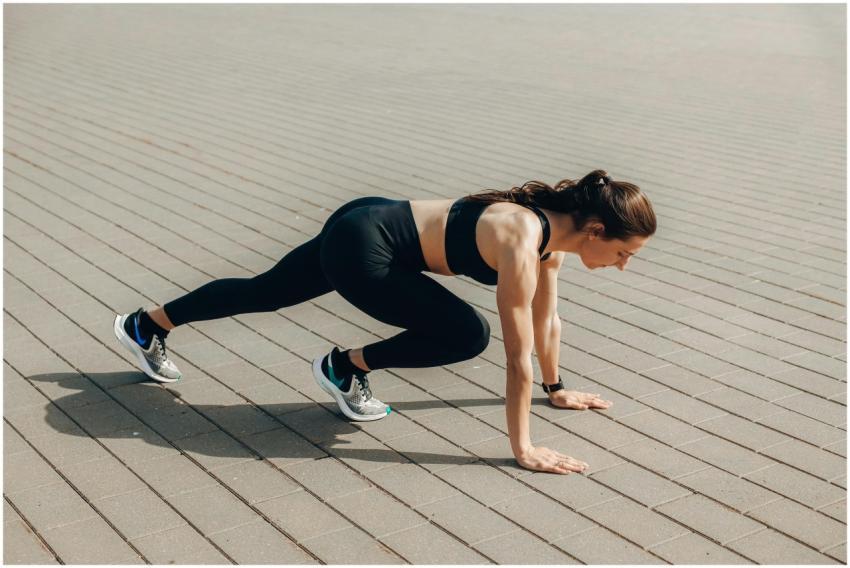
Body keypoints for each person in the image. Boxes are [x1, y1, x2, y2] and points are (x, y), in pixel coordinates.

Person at [114, 169, 656, 474]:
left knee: (267, 292)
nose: (623, 265)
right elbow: (516, 356)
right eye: (625, 252)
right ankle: (345, 367)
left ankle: (149, 323)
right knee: (469, 335)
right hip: (366, 247)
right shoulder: (523, 241)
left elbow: (548, 320)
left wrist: (557, 388)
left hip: (369, 214)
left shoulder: (552, 240)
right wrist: (524, 449)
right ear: (594, 229)